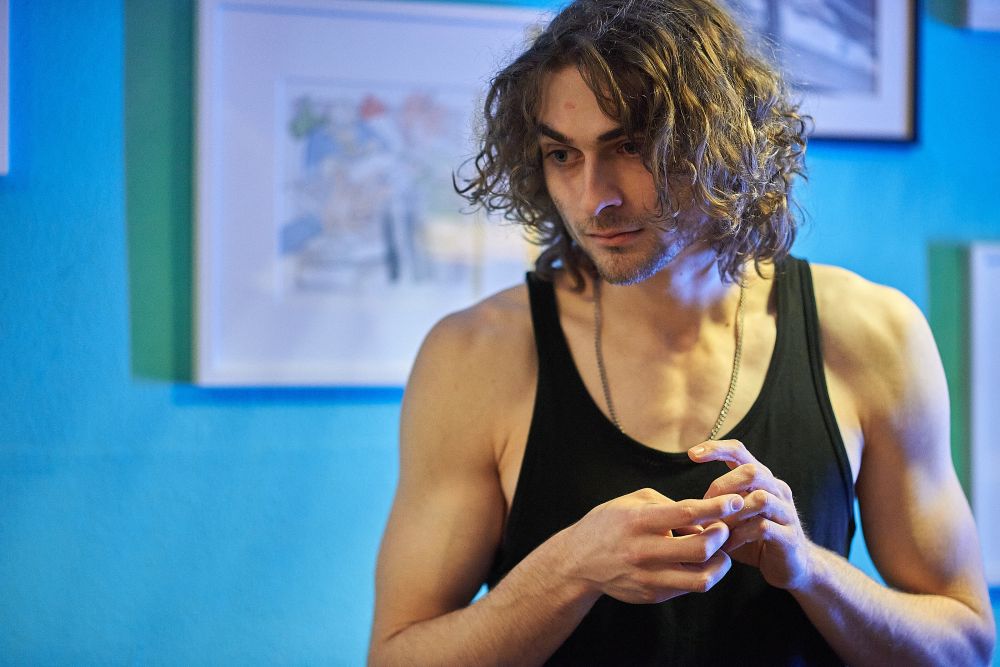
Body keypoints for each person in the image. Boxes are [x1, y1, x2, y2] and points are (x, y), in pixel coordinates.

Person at [368, 0, 996, 664]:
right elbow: (396, 656)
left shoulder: (872, 334)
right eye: (562, 154)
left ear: (721, 143)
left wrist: (810, 570)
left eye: (631, 147)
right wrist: (570, 569)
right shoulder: (475, 355)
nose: (594, 197)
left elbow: (964, 646)